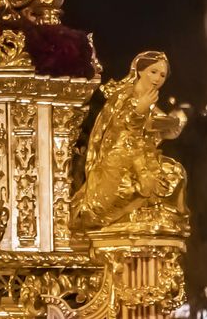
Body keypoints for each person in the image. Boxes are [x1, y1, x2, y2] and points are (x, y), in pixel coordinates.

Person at [71, 51, 190, 235]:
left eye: (162, 75)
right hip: (120, 159)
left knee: (176, 174)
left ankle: (162, 217)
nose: (157, 78)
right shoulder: (124, 95)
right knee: (137, 187)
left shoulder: (151, 99)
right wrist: (139, 110)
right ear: (140, 71)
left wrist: (170, 130)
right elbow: (122, 130)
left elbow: (154, 130)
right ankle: (133, 216)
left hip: (142, 156)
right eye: (153, 72)